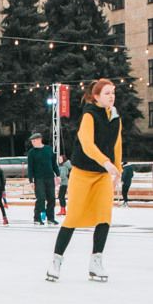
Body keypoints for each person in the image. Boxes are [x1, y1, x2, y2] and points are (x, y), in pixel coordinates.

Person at [46, 79, 122, 283]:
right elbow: (87, 144)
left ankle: (96, 262)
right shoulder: (89, 115)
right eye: (107, 93)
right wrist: (107, 163)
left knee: (104, 216)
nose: (111, 96)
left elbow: (117, 144)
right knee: (73, 217)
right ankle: (56, 261)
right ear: (96, 96)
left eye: (113, 92)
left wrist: (118, 171)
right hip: (82, 173)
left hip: (102, 176)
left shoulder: (115, 117)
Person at [26, 132, 58, 225]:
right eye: (32, 141)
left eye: (34, 141)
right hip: (38, 178)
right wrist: (31, 180)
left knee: (51, 198)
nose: (32, 142)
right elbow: (30, 168)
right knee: (41, 198)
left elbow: (54, 164)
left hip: (49, 177)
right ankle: (37, 218)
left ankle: (50, 218)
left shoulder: (48, 149)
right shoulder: (31, 152)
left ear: (40, 139)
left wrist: (58, 175)